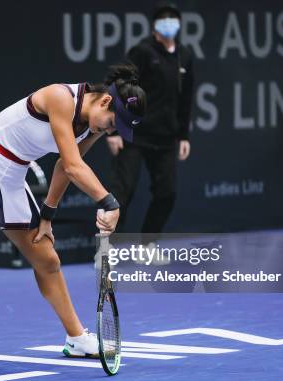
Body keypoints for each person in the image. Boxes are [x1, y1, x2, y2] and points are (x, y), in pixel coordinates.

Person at [0, 65, 146, 381]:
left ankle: (76, 338)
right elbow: (76, 166)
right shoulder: (59, 97)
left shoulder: (92, 125)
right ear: (105, 102)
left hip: (13, 174)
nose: (110, 131)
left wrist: (48, 215)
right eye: (112, 124)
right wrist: (108, 201)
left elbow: (65, 165)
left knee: (47, 260)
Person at [107, 1, 194, 250]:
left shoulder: (185, 55)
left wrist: (183, 135)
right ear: (155, 26)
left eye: (173, 18)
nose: (169, 23)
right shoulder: (142, 52)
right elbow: (120, 86)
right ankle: (107, 249)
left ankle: (148, 246)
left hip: (166, 138)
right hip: (133, 134)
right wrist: (113, 130)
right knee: (122, 194)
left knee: (167, 194)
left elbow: (185, 97)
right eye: (163, 19)